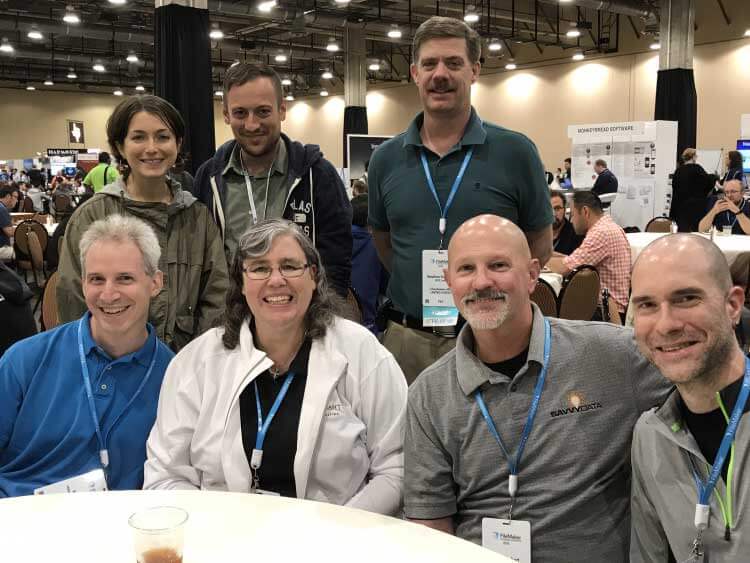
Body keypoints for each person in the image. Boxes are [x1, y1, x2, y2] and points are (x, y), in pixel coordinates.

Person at [404, 214, 671, 561]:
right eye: (466, 269)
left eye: (498, 265)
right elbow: (430, 524)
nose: (481, 281)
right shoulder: (429, 393)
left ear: (532, 275)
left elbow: (708, 382)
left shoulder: (614, 356)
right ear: (448, 282)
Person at [144, 219, 407, 515]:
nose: (276, 280)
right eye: (259, 268)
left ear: (314, 276)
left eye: (290, 266)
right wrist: (217, 532)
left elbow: (396, 467)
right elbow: (166, 474)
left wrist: (339, 533)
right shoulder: (196, 363)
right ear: (241, 283)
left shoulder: (361, 352)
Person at [368, 16, 553, 383]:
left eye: (454, 63)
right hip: (408, 342)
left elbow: (539, 247)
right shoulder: (385, 159)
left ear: (474, 71)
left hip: (493, 337)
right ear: (414, 73)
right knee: (405, 441)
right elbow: (386, 244)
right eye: (430, 64)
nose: (441, 74)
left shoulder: (515, 151)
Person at [0, 215, 174, 497]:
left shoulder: (174, 378)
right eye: (96, 279)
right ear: (83, 284)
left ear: (155, 283)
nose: (108, 294)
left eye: (125, 278)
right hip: (18, 520)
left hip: (118, 529)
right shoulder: (24, 361)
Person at [57, 95, 228, 351]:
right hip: (111, 370)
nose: (152, 148)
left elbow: (217, 298)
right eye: (138, 137)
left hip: (184, 370)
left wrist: (198, 361)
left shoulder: (198, 218)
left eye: (162, 136)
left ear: (178, 143)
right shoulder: (92, 216)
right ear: (120, 146)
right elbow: (73, 300)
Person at [630, 234, 750, 562]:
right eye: (647, 305)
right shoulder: (651, 435)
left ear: (733, 305)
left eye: (686, 298)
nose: (666, 324)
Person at [192, 62, 352, 295]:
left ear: (282, 110)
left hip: (300, 315)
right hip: (230, 318)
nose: (252, 124)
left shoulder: (317, 175)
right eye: (240, 113)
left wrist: (320, 320)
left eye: (263, 111)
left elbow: (337, 262)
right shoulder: (209, 178)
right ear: (226, 115)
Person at [548, 191, 631, 314]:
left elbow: (565, 268)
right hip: (611, 309)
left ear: (585, 212)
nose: (571, 221)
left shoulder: (600, 234)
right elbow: (573, 260)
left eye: (573, 215)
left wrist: (536, 259)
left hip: (604, 313)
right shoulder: (609, 227)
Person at [351, 194, 388, 334]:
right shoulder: (377, 247)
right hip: (367, 327)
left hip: (332, 326)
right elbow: (387, 287)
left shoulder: (332, 244)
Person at [669, 147, 715, 232]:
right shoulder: (697, 169)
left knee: (681, 232)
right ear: (693, 157)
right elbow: (708, 183)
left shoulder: (678, 171)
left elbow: (674, 187)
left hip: (679, 208)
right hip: (695, 208)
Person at [550, 190, 582, 255]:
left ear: (565, 210)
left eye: (557, 208)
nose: (553, 213)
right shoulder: (536, 234)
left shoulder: (576, 234)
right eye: (548, 208)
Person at [0, 186, 18, 261]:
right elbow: (10, 233)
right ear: (8, 196)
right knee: (25, 252)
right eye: (15, 197)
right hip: (1, 248)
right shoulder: (1, 209)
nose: (17, 201)